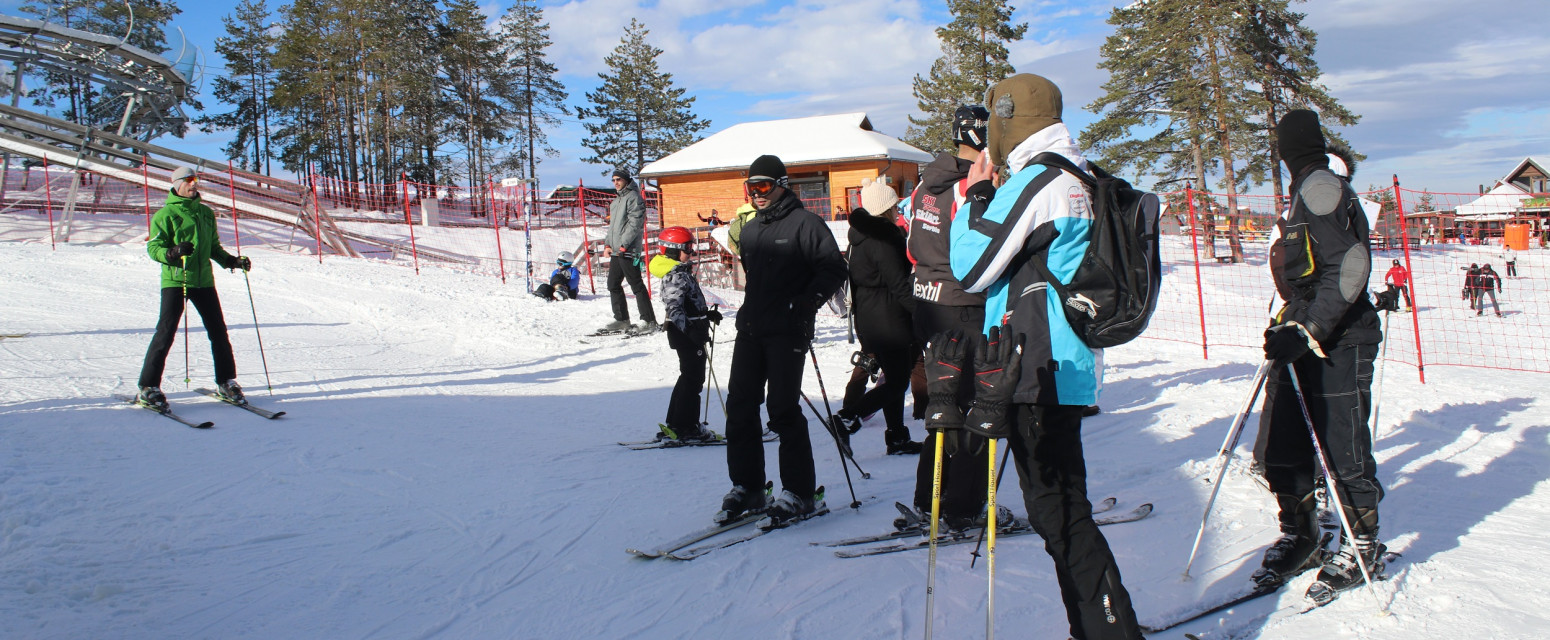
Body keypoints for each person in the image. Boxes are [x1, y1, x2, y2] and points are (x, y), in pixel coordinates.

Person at [948, 73, 1141, 639]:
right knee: (1058, 508)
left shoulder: (1039, 179)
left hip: (1038, 367)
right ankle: (1095, 628)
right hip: (1065, 364)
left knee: (1059, 512)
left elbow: (971, 264)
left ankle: (1111, 630)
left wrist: (978, 195)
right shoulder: (1079, 173)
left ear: (1010, 120)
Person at [1257, 109, 1385, 605]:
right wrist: (1290, 325)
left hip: (1339, 340)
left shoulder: (1320, 186)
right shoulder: (1305, 187)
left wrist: (1308, 329)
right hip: (1304, 335)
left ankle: (1364, 545)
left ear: (1292, 147)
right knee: (1282, 445)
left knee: (1343, 449)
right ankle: (1302, 532)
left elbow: (1351, 264)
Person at [716, 155, 847, 527]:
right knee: (740, 407)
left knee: (782, 409)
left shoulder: (806, 224)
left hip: (788, 329)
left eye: (763, 186)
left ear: (781, 185)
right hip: (752, 327)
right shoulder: (752, 229)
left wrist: (806, 301)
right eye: (751, 187)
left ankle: (801, 492)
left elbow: (835, 268)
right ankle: (749, 486)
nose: (756, 194)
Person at [896, 104, 996, 533]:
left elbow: (912, 242)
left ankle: (929, 497)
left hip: (928, 299)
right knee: (975, 406)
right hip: (961, 303)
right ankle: (962, 506)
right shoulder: (969, 185)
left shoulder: (923, 185)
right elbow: (984, 247)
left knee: (944, 404)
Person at [136, 167, 251, 410]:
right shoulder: (165, 215)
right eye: (189, 180)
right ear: (177, 184)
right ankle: (148, 386)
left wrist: (231, 261)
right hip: (177, 281)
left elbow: (214, 248)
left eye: (196, 180)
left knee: (218, 332)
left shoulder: (206, 213)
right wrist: (173, 252)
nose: (194, 184)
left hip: (203, 281)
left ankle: (226, 381)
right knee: (165, 332)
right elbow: (153, 248)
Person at [830, 178, 923, 457]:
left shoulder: (860, 237)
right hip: (889, 321)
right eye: (895, 205)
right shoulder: (884, 240)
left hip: (870, 318)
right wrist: (922, 313)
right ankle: (848, 418)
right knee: (897, 382)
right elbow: (899, 285)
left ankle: (896, 437)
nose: (898, 210)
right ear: (885, 208)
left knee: (892, 377)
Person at [649, 226, 722, 442]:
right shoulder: (675, 275)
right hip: (685, 334)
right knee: (693, 379)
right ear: (672, 250)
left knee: (689, 377)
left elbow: (687, 305)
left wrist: (706, 315)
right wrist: (691, 331)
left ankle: (677, 423)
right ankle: (686, 427)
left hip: (689, 331)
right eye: (687, 248)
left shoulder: (681, 272)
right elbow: (674, 308)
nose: (691, 252)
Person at [599, 169, 658, 334]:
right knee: (613, 284)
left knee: (636, 284)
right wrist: (608, 245)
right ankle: (622, 319)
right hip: (617, 251)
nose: (616, 182)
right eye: (613, 180)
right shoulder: (617, 201)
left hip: (629, 251)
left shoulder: (634, 198)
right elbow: (613, 228)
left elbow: (635, 223)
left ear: (626, 180)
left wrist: (624, 244)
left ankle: (649, 320)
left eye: (619, 179)